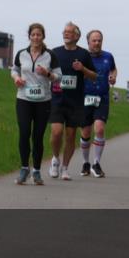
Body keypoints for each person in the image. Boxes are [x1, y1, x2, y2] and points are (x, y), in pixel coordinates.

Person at [10, 23, 60, 186]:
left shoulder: (50, 55)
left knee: (37, 137)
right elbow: (14, 70)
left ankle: (37, 171)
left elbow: (59, 77)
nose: (36, 37)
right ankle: (24, 168)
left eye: (39, 35)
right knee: (24, 133)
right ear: (29, 36)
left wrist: (47, 73)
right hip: (23, 99)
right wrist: (17, 78)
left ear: (43, 36)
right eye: (33, 35)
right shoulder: (21, 54)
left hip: (43, 101)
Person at [47, 22, 97, 180]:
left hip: (75, 102)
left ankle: (65, 168)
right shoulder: (54, 52)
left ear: (77, 36)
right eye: (64, 31)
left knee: (70, 135)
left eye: (69, 32)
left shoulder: (84, 54)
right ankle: (55, 159)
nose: (66, 34)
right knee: (56, 132)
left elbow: (94, 76)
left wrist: (82, 69)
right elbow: (46, 72)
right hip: (57, 99)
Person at [79, 30, 117, 178]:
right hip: (84, 98)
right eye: (94, 40)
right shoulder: (82, 56)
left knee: (99, 129)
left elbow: (113, 69)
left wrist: (113, 76)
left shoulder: (108, 56)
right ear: (88, 42)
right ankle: (85, 163)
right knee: (85, 132)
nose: (97, 43)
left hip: (102, 97)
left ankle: (96, 163)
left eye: (99, 40)